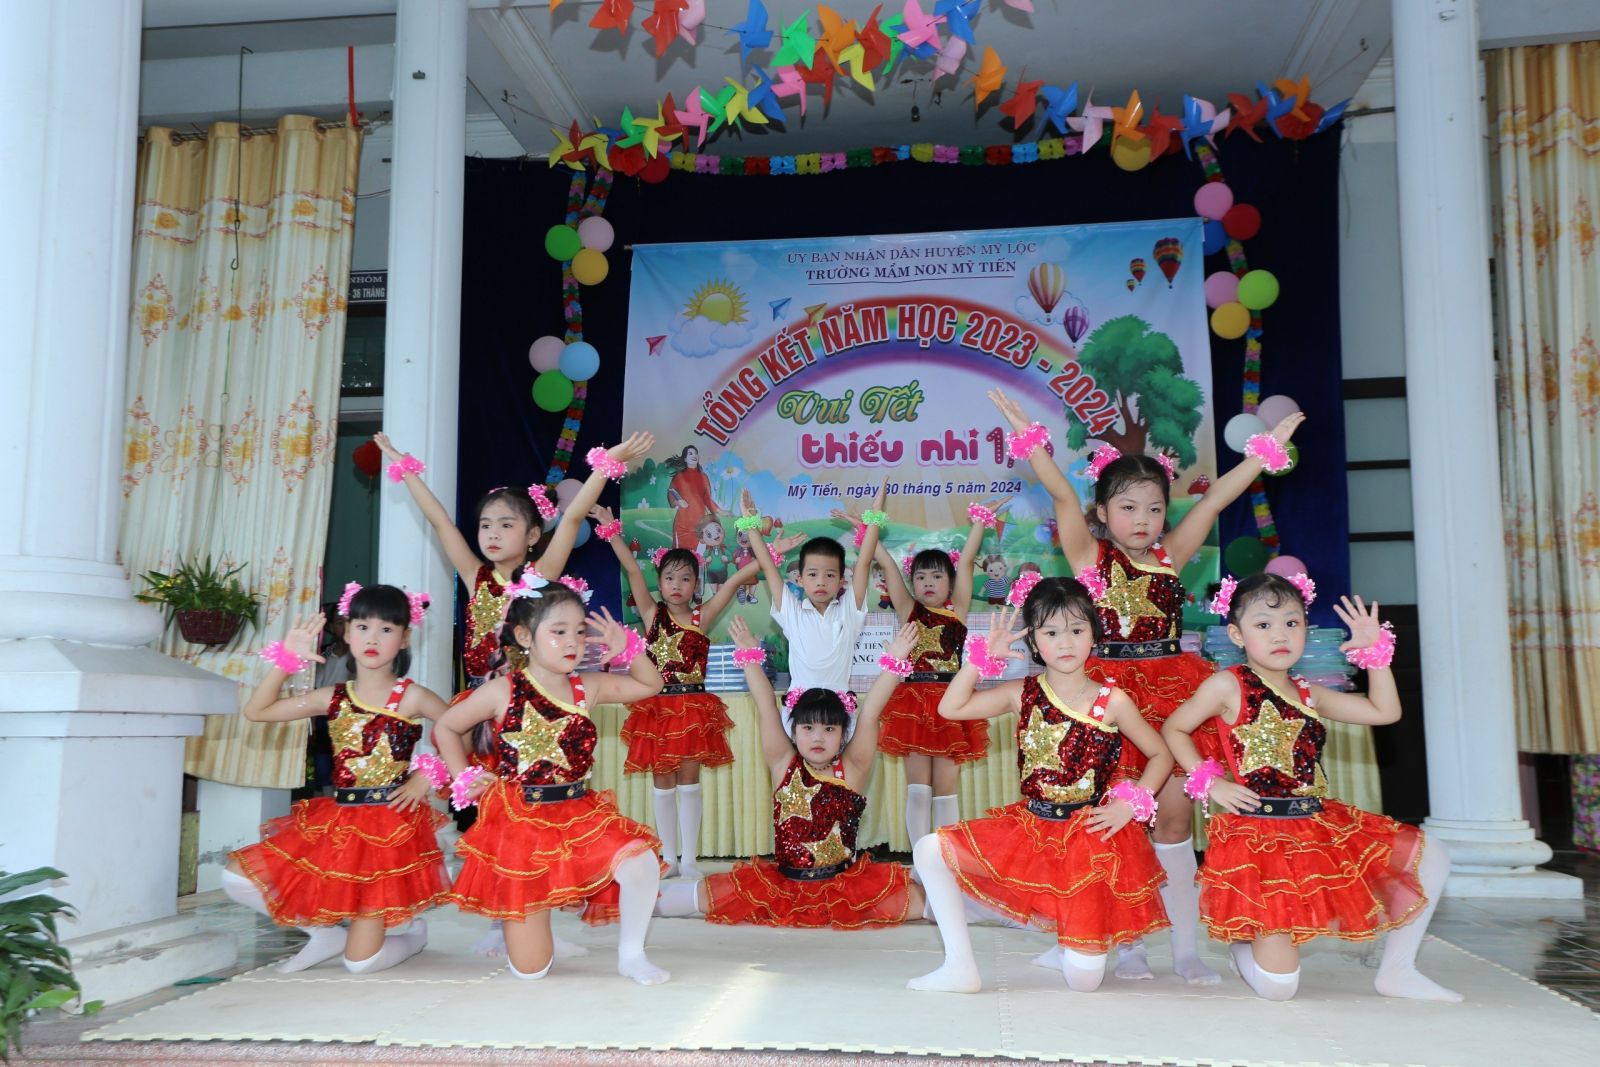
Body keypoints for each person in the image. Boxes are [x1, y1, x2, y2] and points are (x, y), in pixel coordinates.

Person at [990, 386, 1302, 985]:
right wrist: (1030, 437)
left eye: (1154, 508)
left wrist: (1263, 452)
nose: (1142, 520)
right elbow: (1061, 493)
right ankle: (1124, 944)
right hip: (1109, 699)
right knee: (1115, 822)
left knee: (1175, 822)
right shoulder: (1088, 557)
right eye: (1128, 507)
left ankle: (1184, 949)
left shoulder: (1170, 555)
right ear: (1104, 512)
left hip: (1174, 693)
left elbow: (1216, 499)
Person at [1162, 574, 1460, 1003]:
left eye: (1292, 623)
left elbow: (1385, 711)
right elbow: (1175, 728)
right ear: (1237, 634)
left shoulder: (1309, 693)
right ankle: (1244, 947)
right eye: (1263, 625)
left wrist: (1374, 653)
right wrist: (1211, 782)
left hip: (1316, 825)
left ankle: (1398, 970)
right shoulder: (1229, 684)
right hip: (1260, 839)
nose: (1279, 635)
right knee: (1280, 988)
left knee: (1434, 855)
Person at [908, 579, 1173, 994]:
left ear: (1094, 634)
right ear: (1033, 640)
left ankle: (1070, 941)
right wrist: (981, 659)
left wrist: (1130, 805)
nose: (1065, 642)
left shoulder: (1113, 700)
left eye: (1076, 630)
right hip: (1032, 829)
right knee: (929, 850)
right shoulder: (1021, 693)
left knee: (1084, 982)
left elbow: (1160, 755)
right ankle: (959, 966)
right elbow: (951, 707)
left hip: (1088, 838)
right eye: (1050, 632)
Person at [434, 576, 670, 985]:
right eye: (558, 632)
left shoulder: (586, 687)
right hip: (519, 823)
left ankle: (632, 955)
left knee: (641, 861)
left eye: (579, 631)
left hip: (577, 813)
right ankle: (535, 934)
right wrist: (464, 776)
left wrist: (629, 648)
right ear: (525, 636)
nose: (572, 642)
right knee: (532, 971)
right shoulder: (503, 690)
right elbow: (446, 727)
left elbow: (651, 684)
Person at [221, 585, 450, 975]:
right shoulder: (331, 696)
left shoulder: (413, 697)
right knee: (234, 879)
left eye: (386, 629)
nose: (372, 639)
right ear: (347, 632)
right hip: (337, 820)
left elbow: (464, 734)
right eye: (362, 627)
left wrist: (426, 776)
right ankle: (325, 934)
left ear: (405, 638)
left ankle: (414, 938)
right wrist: (287, 660)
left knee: (361, 964)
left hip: (389, 831)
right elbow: (258, 711)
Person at [655, 617, 924, 927]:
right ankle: (627, 899)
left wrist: (895, 663)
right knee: (705, 895)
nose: (818, 737)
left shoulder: (852, 768)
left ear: (843, 734)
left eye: (829, 729)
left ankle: (972, 909)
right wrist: (749, 658)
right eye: (808, 728)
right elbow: (766, 706)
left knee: (919, 901)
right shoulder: (783, 762)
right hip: (782, 887)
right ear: (794, 732)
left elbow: (870, 713)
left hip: (844, 888)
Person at [372, 431, 654, 687]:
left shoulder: (542, 574)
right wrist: (404, 467)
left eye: (506, 525)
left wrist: (607, 463)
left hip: (529, 698)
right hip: (478, 700)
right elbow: (440, 522)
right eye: (485, 525)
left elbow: (572, 518)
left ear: (533, 535)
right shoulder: (475, 576)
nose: (493, 534)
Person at [591, 504, 762, 879]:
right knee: (663, 783)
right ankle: (668, 856)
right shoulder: (651, 614)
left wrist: (769, 551)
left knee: (689, 782)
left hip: (694, 709)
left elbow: (734, 581)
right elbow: (631, 569)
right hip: (657, 709)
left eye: (685, 579)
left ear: (695, 585)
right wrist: (611, 530)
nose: (676, 585)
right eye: (669, 578)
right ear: (660, 581)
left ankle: (690, 860)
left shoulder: (703, 616)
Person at [870, 510, 993, 845]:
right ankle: (920, 860)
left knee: (945, 788)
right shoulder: (907, 609)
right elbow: (888, 565)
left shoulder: (959, 610)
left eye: (937, 576)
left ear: (950, 584)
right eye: (921, 577)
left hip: (952, 702)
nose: (928, 583)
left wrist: (980, 521)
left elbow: (966, 561)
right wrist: (869, 527)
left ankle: (944, 858)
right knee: (918, 788)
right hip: (913, 705)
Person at [749, 481, 887, 694]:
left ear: (842, 581)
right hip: (799, 710)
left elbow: (864, 562)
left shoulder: (849, 610)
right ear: (800, 579)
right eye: (813, 574)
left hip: (839, 709)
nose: (821, 582)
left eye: (830, 575)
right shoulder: (792, 613)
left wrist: (876, 514)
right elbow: (768, 566)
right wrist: (750, 522)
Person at [665, 444, 719, 551]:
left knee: (699, 554)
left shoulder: (704, 477)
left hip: (700, 524)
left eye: (695, 453)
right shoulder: (679, 477)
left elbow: (708, 499)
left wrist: (719, 511)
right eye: (690, 453)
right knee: (681, 555)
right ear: (685, 458)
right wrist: (678, 502)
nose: (694, 455)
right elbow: (671, 493)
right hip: (682, 524)